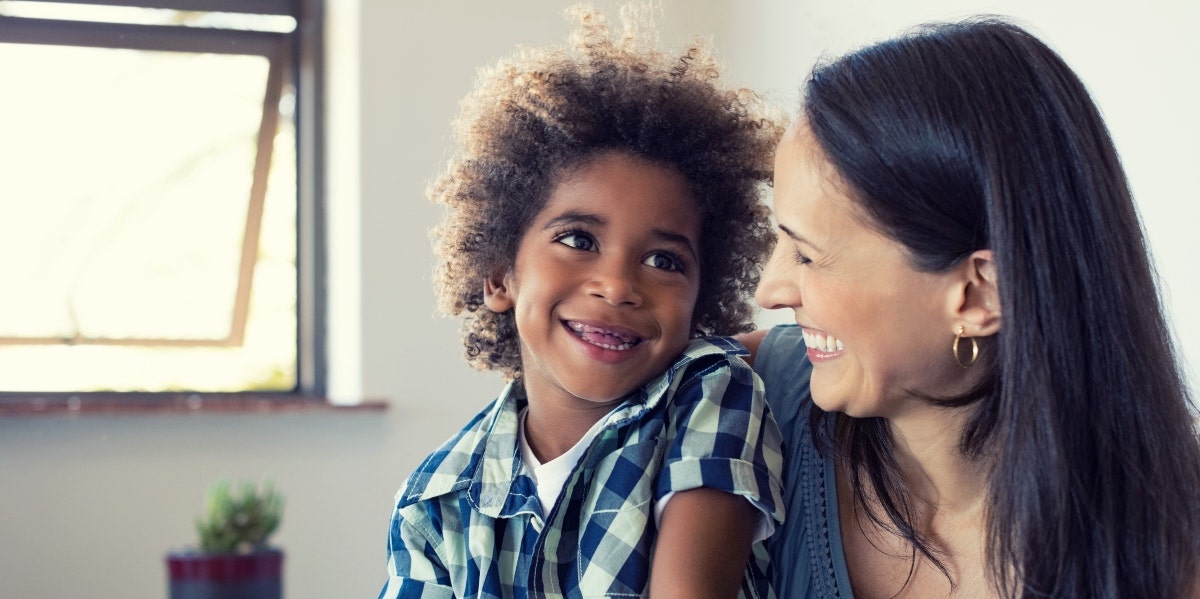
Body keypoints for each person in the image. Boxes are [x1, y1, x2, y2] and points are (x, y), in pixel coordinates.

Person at [741, 16, 1200, 599]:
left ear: (980, 294)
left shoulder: (1173, 548)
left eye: (807, 256)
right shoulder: (750, 399)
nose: (770, 290)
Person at [378, 5, 786, 598]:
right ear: (499, 275)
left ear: (702, 300)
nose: (618, 285)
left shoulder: (710, 394)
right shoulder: (435, 499)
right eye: (578, 240)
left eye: (664, 260)